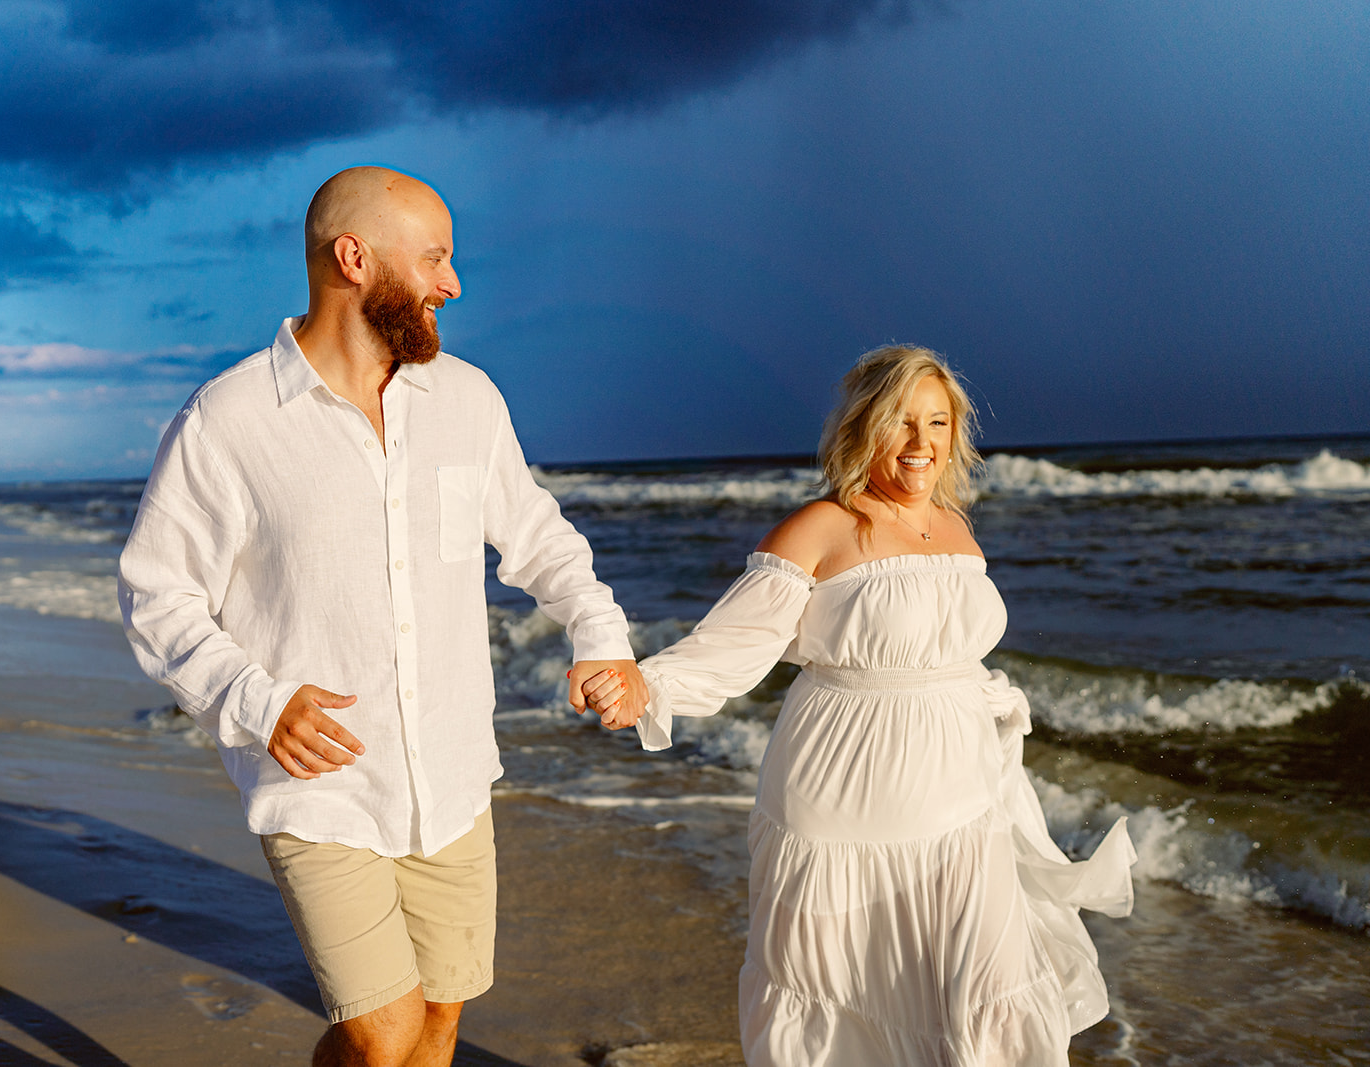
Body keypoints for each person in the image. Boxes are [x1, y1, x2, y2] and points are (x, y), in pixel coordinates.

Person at [118, 165, 647, 1067]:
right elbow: (156, 592)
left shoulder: (468, 401)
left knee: (437, 1022)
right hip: (319, 785)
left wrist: (602, 637)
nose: (453, 283)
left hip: (452, 775)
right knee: (384, 1030)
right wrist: (255, 701)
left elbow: (539, 537)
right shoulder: (228, 420)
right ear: (354, 259)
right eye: (434, 258)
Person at [585, 345, 1136, 1066]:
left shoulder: (956, 527)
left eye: (936, 422)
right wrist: (646, 685)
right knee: (841, 995)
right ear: (862, 427)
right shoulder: (819, 527)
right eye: (900, 421)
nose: (920, 442)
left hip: (964, 795)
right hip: (844, 799)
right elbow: (733, 645)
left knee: (984, 989)